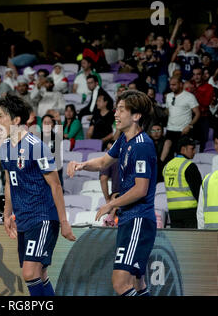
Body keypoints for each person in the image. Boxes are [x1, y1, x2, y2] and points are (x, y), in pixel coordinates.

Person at [67, 90, 157, 296]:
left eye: (122, 110)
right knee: (136, 283)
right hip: (130, 219)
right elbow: (103, 162)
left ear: (136, 116)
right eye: (116, 109)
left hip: (138, 219)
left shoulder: (142, 146)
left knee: (120, 283)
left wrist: (111, 204)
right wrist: (81, 165)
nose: (116, 114)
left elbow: (141, 189)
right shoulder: (124, 140)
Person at [0, 94, 75, 296]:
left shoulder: (36, 146)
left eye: (1, 116)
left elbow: (56, 186)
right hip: (23, 218)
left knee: (30, 273)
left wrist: (64, 221)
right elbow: (9, 183)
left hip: (43, 217)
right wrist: (6, 215)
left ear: (16, 121)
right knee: (39, 274)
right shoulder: (4, 148)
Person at [163, 136, 202, 228]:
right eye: (192, 148)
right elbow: (198, 191)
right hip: (189, 211)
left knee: (178, 241)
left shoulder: (167, 166)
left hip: (173, 212)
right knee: (191, 241)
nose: (194, 151)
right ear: (183, 149)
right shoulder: (189, 166)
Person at [160, 76, 200, 162]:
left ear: (181, 84)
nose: (171, 87)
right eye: (170, 85)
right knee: (167, 153)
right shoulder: (169, 96)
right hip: (170, 129)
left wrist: (189, 126)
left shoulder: (189, 97)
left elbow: (197, 114)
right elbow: (168, 111)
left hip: (183, 130)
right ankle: (160, 168)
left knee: (182, 155)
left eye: (174, 85)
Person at [190, 67, 214, 152]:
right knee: (190, 141)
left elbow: (206, 102)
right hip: (190, 117)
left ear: (203, 75)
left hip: (203, 116)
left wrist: (195, 92)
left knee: (203, 141)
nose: (196, 77)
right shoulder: (189, 85)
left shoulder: (209, 87)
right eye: (194, 74)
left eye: (198, 74)